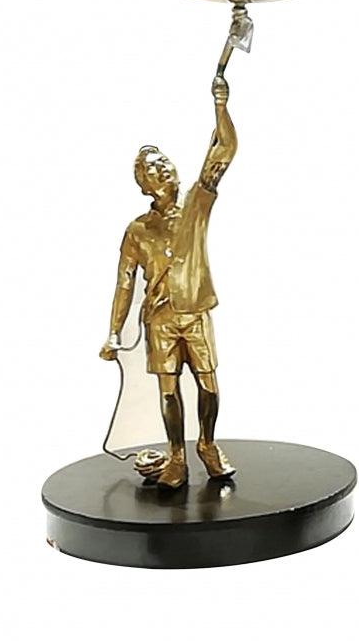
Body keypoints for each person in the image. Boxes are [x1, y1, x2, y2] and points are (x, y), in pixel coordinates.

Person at [99, 73, 238, 489]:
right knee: (168, 389)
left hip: (194, 313)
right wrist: (113, 332)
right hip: (158, 320)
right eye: (152, 169)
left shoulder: (196, 204)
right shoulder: (137, 231)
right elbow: (125, 283)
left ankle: (207, 444)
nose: (163, 170)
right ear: (145, 184)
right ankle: (176, 456)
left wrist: (220, 106)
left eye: (165, 164)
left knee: (208, 382)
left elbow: (224, 150)